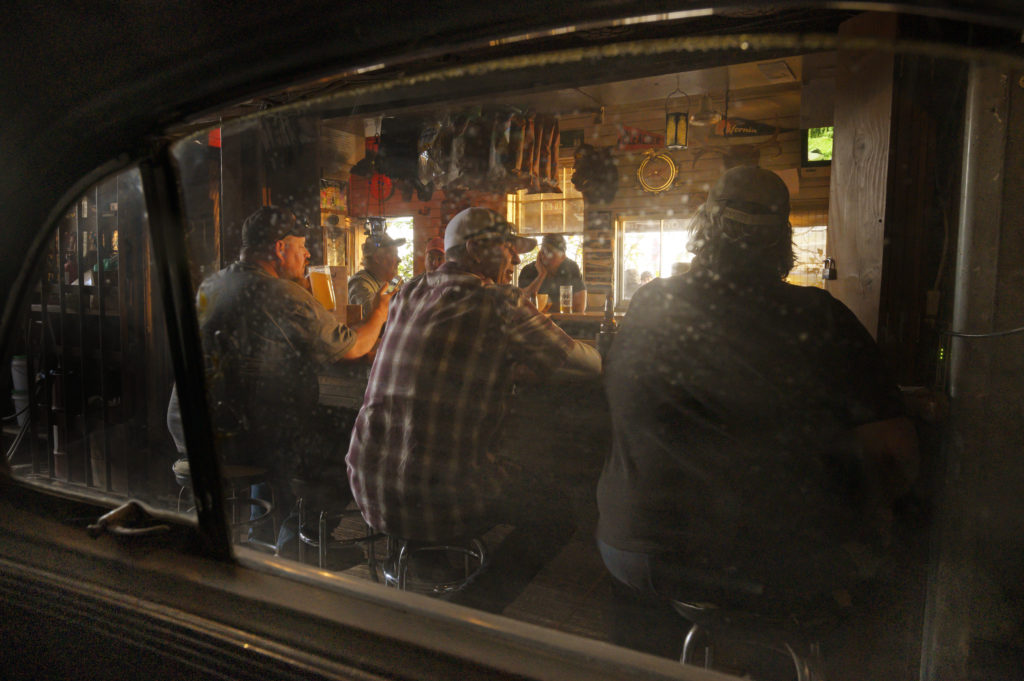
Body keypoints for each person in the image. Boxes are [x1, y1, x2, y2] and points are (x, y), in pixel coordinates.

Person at [597, 167, 919, 659]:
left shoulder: (650, 302)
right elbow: (896, 454)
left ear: (703, 230)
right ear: (783, 241)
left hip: (630, 548)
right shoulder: (819, 317)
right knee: (885, 582)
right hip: (750, 563)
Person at [346, 207, 601, 609]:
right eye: (508, 248)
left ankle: (426, 559)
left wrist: (501, 363)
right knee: (557, 513)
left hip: (369, 484)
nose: (515, 259)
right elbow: (588, 364)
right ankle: (472, 609)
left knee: (438, 453)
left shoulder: (408, 291)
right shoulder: (496, 299)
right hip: (434, 495)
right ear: (476, 250)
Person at [169, 206, 392, 551]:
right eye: (301, 246)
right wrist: (379, 312)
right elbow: (353, 348)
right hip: (239, 442)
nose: (307, 254)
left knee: (282, 423)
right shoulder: (282, 295)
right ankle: (302, 544)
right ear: (279, 248)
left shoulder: (214, 283)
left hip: (191, 433)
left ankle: (263, 534)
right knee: (354, 439)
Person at [517, 233, 587, 312]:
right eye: (543, 252)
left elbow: (579, 307)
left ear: (563, 256)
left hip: (563, 319)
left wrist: (545, 306)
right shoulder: (529, 270)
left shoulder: (570, 268)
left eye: (551, 253)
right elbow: (521, 303)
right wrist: (541, 276)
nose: (545, 257)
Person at [348, 231, 405, 319]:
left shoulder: (395, 281)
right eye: (394, 255)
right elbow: (372, 315)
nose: (399, 260)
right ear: (377, 258)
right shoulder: (359, 283)